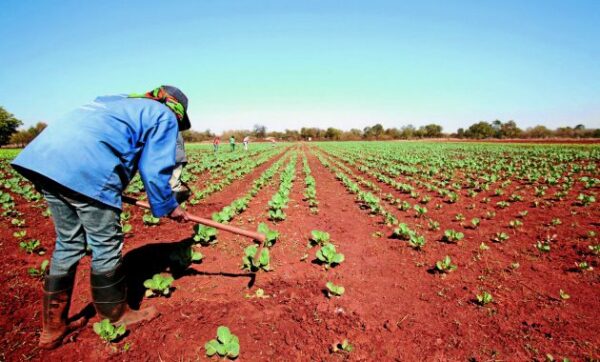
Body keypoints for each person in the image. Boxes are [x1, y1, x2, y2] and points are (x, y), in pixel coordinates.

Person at [11, 85, 192, 349]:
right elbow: (154, 168)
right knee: (105, 244)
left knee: (68, 243)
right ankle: (116, 317)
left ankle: (53, 328)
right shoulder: (164, 115)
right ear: (176, 110)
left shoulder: (116, 102)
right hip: (89, 168)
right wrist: (168, 206)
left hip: (44, 161)